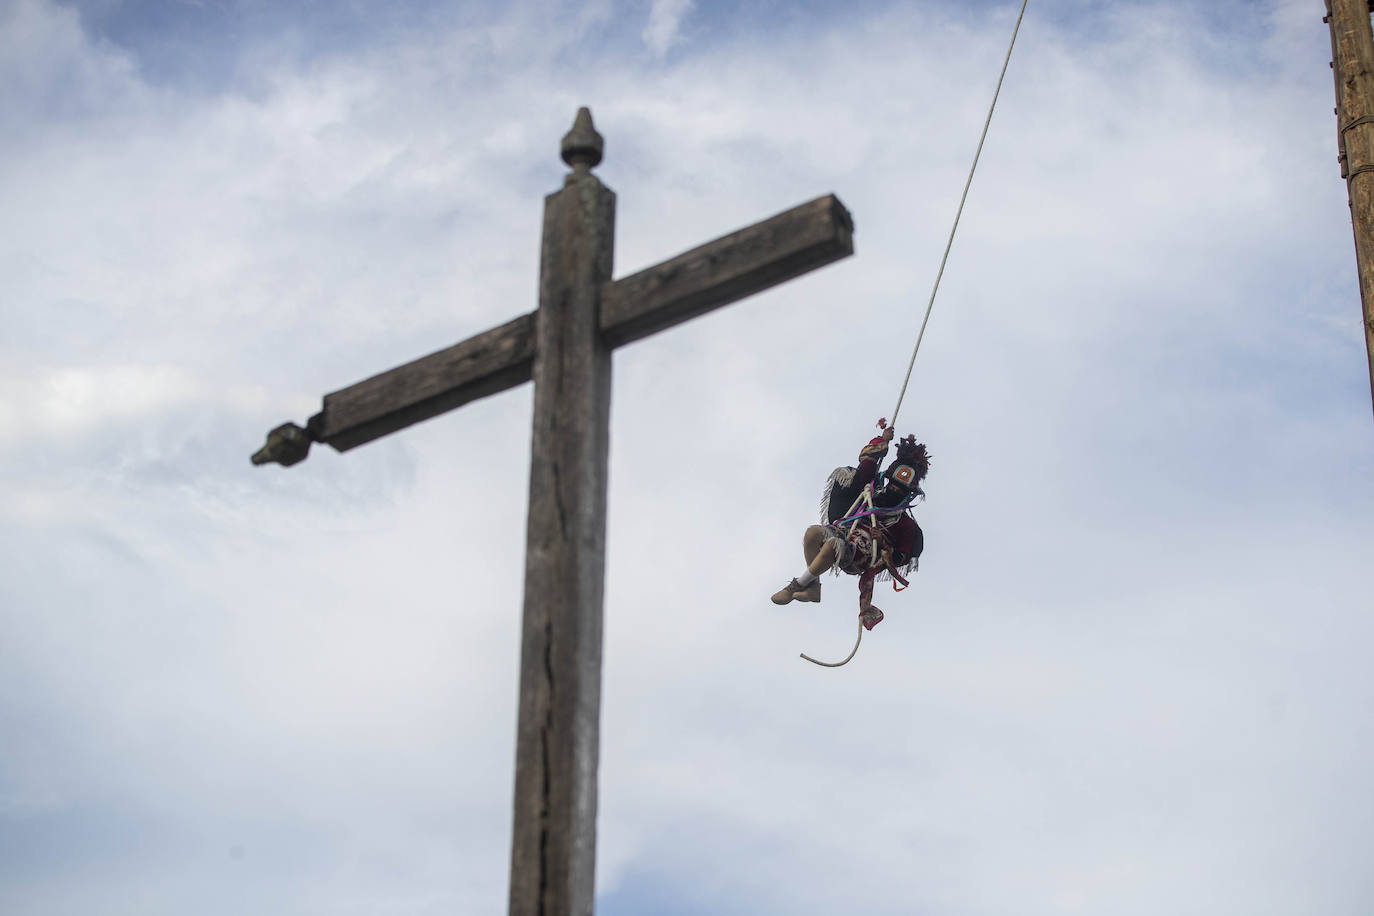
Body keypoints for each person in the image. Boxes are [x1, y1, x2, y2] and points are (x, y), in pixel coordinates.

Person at [771, 423, 930, 630]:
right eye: (892, 483)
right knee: (812, 534)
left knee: (832, 545)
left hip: (862, 554)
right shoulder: (870, 493)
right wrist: (883, 441)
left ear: (909, 493)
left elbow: (902, 557)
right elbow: (866, 465)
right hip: (847, 529)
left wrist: (882, 542)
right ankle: (813, 588)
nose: (893, 489)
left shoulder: (905, 524)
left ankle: (797, 585)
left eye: (900, 488)